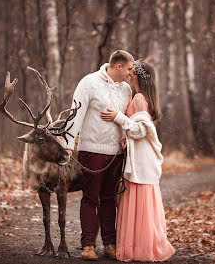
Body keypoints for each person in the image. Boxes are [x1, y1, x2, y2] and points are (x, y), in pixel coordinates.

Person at [100, 59, 175, 262]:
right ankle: (141, 245)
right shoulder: (139, 97)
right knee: (141, 202)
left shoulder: (140, 98)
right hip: (139, 156)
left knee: (138, 199)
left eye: (132, 70)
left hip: (141, 159)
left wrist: (118, 117)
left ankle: (138, 248)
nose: (128, 73)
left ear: (139, 75)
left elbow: (140, 130)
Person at [63, 50, 134, 261]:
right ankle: (88, 245)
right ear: (118, 66)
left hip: (116, 154)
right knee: (90, 199)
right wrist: (68, 144)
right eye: (129, 69)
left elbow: (125, 116)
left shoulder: (126, 89)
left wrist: (124, 138)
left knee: (109, 199)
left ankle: (110, 244)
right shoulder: (89, 83)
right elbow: (75, 114)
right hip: (91, 151)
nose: (131, 73)